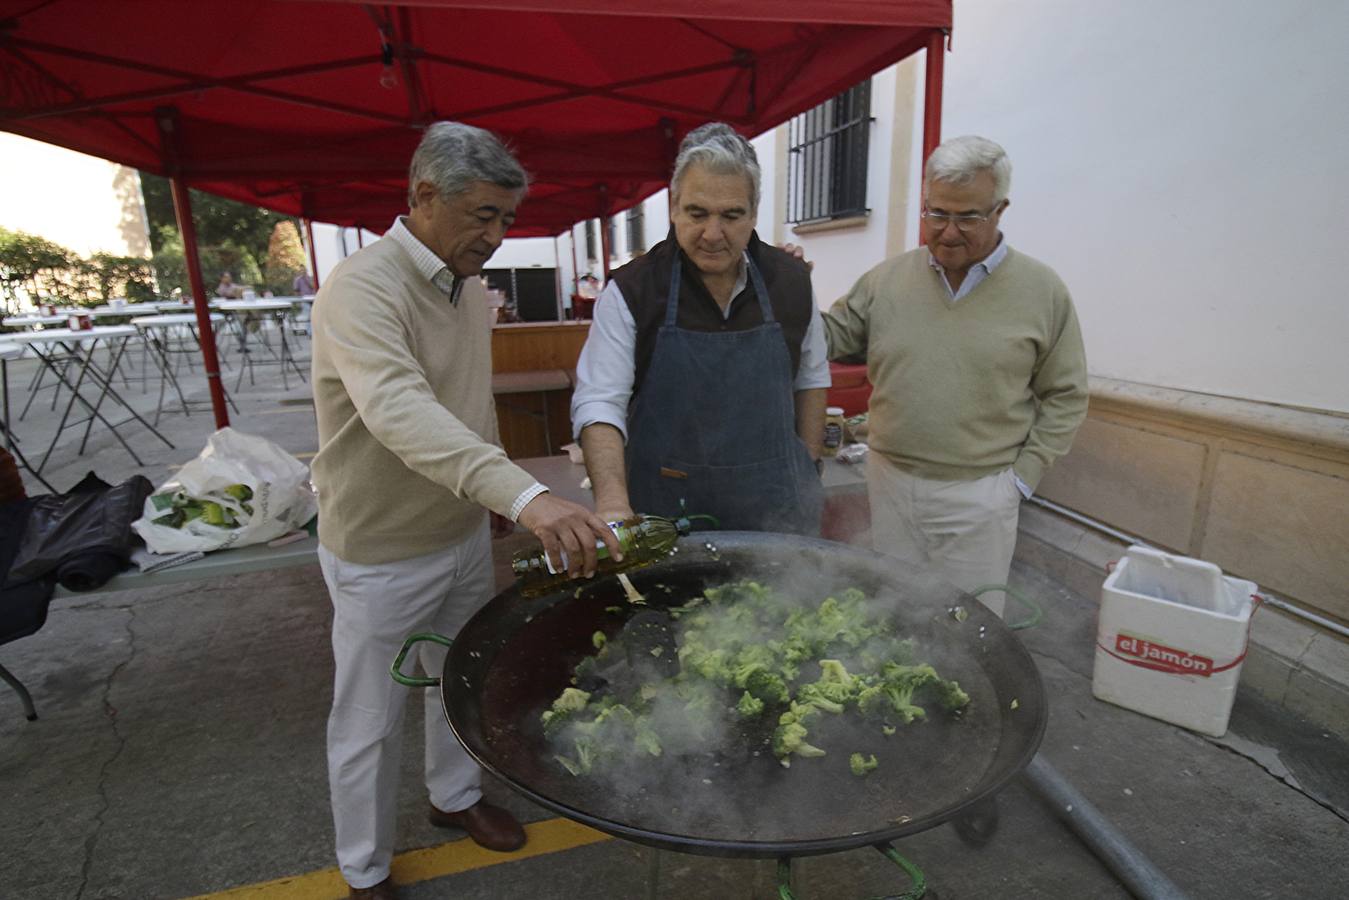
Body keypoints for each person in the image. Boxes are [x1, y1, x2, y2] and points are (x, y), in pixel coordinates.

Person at [310, 121, 620, 900]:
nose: (497, 235)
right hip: (378, 548)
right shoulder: (361, 287)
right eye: (483, 215)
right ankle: (364, 868)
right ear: (422, 195)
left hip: (457, 533)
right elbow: (400, 411)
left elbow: (467, 412)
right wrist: (525, 496)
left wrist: (492, 504)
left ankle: (453, 798)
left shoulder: (467, 286)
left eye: (507, 220)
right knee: (367, 720)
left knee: (460, 680)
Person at [821, 135, 1088, 617]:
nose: (947, 231)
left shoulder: (1042, 291)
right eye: (935, 213)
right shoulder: (887, 280)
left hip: (980, 494)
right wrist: (785, 286)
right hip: (889, 481)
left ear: (1000, 209)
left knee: (970, 626)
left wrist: (1020, 481)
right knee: (895, 612)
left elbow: (1067, 395)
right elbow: (826, 340)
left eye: (968, 217)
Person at [571, 122, 830, 534]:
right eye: (697, 213)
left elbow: (812, 380)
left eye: (731, 215)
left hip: (777, 510)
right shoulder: (633, 290)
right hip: (664, 510)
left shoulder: (792, 282)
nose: (713, 234)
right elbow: (600, 403)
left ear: (753, 214)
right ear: (674, 207)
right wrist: (614, 502)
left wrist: (809, 468)